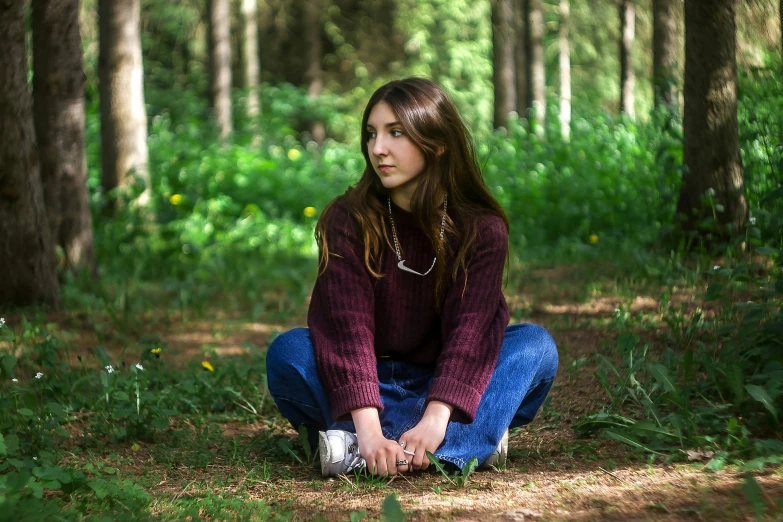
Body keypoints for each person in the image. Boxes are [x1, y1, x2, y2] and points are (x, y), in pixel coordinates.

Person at [266, 78, 558, 477]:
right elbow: (345, 330)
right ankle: (463, 443)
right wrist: (368, 427)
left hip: (448, 385)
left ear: (436, 143)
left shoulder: (480, 228)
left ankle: (367, 448)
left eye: (395, 133)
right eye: (371, 134)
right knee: (290, 352)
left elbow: (471, 334)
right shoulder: (349, 219)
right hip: (367, 384)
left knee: (535, 346)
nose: (377, 148)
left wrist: (437, 415)